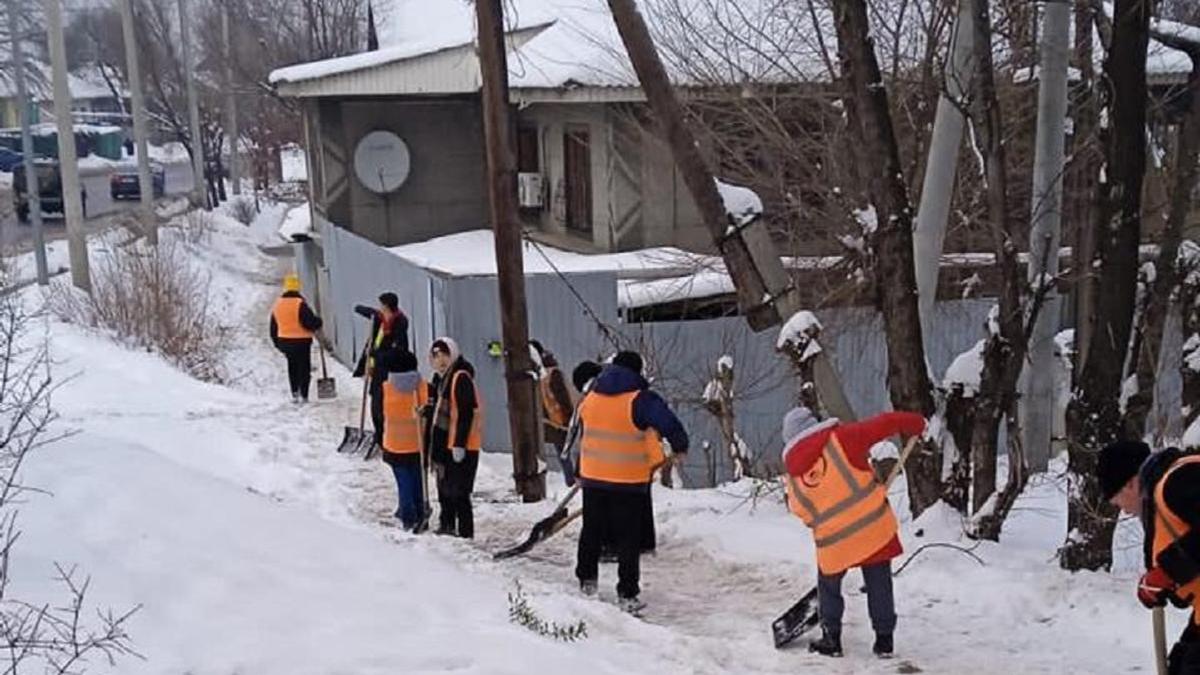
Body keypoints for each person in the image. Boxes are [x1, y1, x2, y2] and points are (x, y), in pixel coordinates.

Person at [780, 405, 925, 659]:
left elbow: (800, 510)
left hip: (834, 540)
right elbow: (885, 423)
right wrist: (914, 422)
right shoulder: (844, 439)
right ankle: (884, 642)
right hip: (871, 528)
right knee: (879, 581)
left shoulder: (793, 477)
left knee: (828, 585)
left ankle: (831, 639)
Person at [574, 351, 688, 614]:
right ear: (637, 371)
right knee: (628, 538)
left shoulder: (591, 396)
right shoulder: (640, 398)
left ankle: (586, 580)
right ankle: (627, 593)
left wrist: (580, 470)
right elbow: (668, 423)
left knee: (591, 530)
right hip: (627, 479)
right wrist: (680, 445)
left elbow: (585, 435)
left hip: (593, 477)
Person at [1098, 441, 1200, 675]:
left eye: (1117, 501)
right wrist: (1162, 582)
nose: (1123, 511)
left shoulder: (1178, 482)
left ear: (1131, 483)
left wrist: (1167, 571)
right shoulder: (1167, 491)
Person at [425, 337, 482, 538]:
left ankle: (465, 533)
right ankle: (447, 525)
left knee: (460, 492)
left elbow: (466, 412)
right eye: (436, 356)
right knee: (445, 489)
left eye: (444, 355)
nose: (440, 360)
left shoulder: (460, 378)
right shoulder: (441, 380)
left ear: (453, 354)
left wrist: (459, 444)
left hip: (462, 445)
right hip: (445, 444)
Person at [380, 350, 429, 531]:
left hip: (394, 443)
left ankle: (408, 516)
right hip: (417, 443)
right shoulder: (422, 387)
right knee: (416, 477)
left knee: (403, 480)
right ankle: (419, 510)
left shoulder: (387, 388)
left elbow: (379, 413)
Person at [354, 293, 410, 449]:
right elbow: (372, 313)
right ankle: (380, 437)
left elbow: (400, 352)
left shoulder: (399, 324)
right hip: (377, 369)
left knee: (382, 407)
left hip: (390, 372)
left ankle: (384, 437)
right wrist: (359, 308)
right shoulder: (380, 318)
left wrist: (376, 354)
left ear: (388, 307)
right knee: (375, 404)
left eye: (382, 306)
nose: (380, 309)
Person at [269, 274, 323, 403]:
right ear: (298, 288)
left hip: (285, 342)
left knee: (292, 367)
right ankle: (304, 394)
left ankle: (295, 392)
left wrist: (277, 343)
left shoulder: (278, 305)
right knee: (304, 368)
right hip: (302, 342)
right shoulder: (300, 304)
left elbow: (273, 327)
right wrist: (318, 322)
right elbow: (309, 323)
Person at [531, 340, 575, 459]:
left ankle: (570, 477)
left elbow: (563, 398)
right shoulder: (537, 372)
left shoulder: (550, 373)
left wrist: (569, 417)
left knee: (563, 453)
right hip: (548, 420)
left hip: (557, 420)